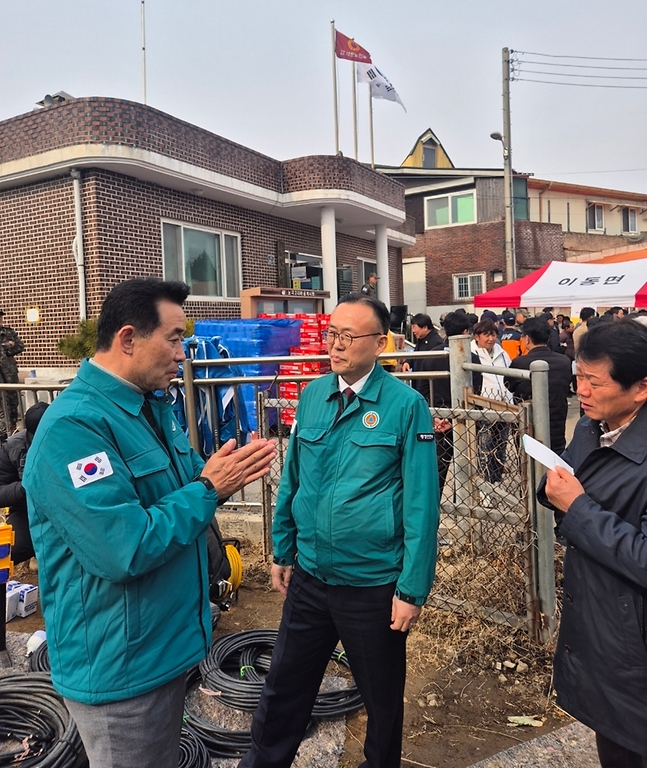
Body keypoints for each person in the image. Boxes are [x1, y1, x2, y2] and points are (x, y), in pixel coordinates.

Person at [23, 278, 276, 768]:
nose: (183, 353)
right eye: (175, 338)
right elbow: (124, 547)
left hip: (162, 651)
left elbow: (179, 496)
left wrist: (208, 479)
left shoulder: (149, 408)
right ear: (128, 339)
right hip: (121, 669)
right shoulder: (74, 429)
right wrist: (208, 488)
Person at [240, 294, 440, 768]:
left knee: (382, 700)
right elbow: (294, 478)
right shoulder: (312, 395)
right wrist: (282, 550)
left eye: (349, 336)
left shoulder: (406, 407)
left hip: (371, 584)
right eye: (333, 333)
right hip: (310, 576)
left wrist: (411, 589)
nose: (336, 344)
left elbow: (420, 505)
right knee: (284, 687)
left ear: (380, 342)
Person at [538, 319, 647, 768]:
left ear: (640, 387)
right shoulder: (591, 425)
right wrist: (550, 492)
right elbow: (569, 488)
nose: (579, 390)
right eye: (578, 376)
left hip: (634, 635)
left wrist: (577, 507)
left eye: (593, 381)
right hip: (601, 622)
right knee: (615, 738)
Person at [419, 311, 482, 494]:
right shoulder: (472, 359)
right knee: (466, 469)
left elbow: (422, 390)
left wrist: (434, 417)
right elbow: (475, 394)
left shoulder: (431, 356)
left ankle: (433, 509)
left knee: (438, 469)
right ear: (465, 331)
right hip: (465, 420)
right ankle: (463, 508)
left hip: (438, 420)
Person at [505, 317, 572, 454]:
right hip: (556, 420)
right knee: (555, 460)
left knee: (527, 463)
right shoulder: (564, 361)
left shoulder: (520, 363)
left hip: (528, 423)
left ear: (527, 339)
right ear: (548, 338)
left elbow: (509, 385)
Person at [0, 401, 48, 566]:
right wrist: (25, 487)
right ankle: (36, 551)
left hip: (66, 508)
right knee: (11, 549)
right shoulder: (12, 448)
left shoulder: (69, 440)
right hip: (26, 509)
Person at [471, 319, 513, 483]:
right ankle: (485, 485)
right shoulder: (471, 354)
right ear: (476, 336)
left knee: (501, 447)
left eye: (493, 334)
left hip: (504, 408)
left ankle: (496, 481)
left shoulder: (502, 353)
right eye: (486, 335)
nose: (490, 338)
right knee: (485, 449)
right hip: (484, 408)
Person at [401, 313, 443, 399]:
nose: (413, 330)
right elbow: (415, 354)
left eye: (415, 327)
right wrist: (408, 362)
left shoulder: (436, 342)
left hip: (429, 388)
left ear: (425, 328)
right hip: (418, 382)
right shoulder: (421, 339)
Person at [0, 310, 25, 439]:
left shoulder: (8, 332)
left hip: (9, 373)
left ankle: (13, 429)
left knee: (13, 400)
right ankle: (3, 432)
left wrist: (9, 348)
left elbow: (20, 346)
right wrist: (4, 346)